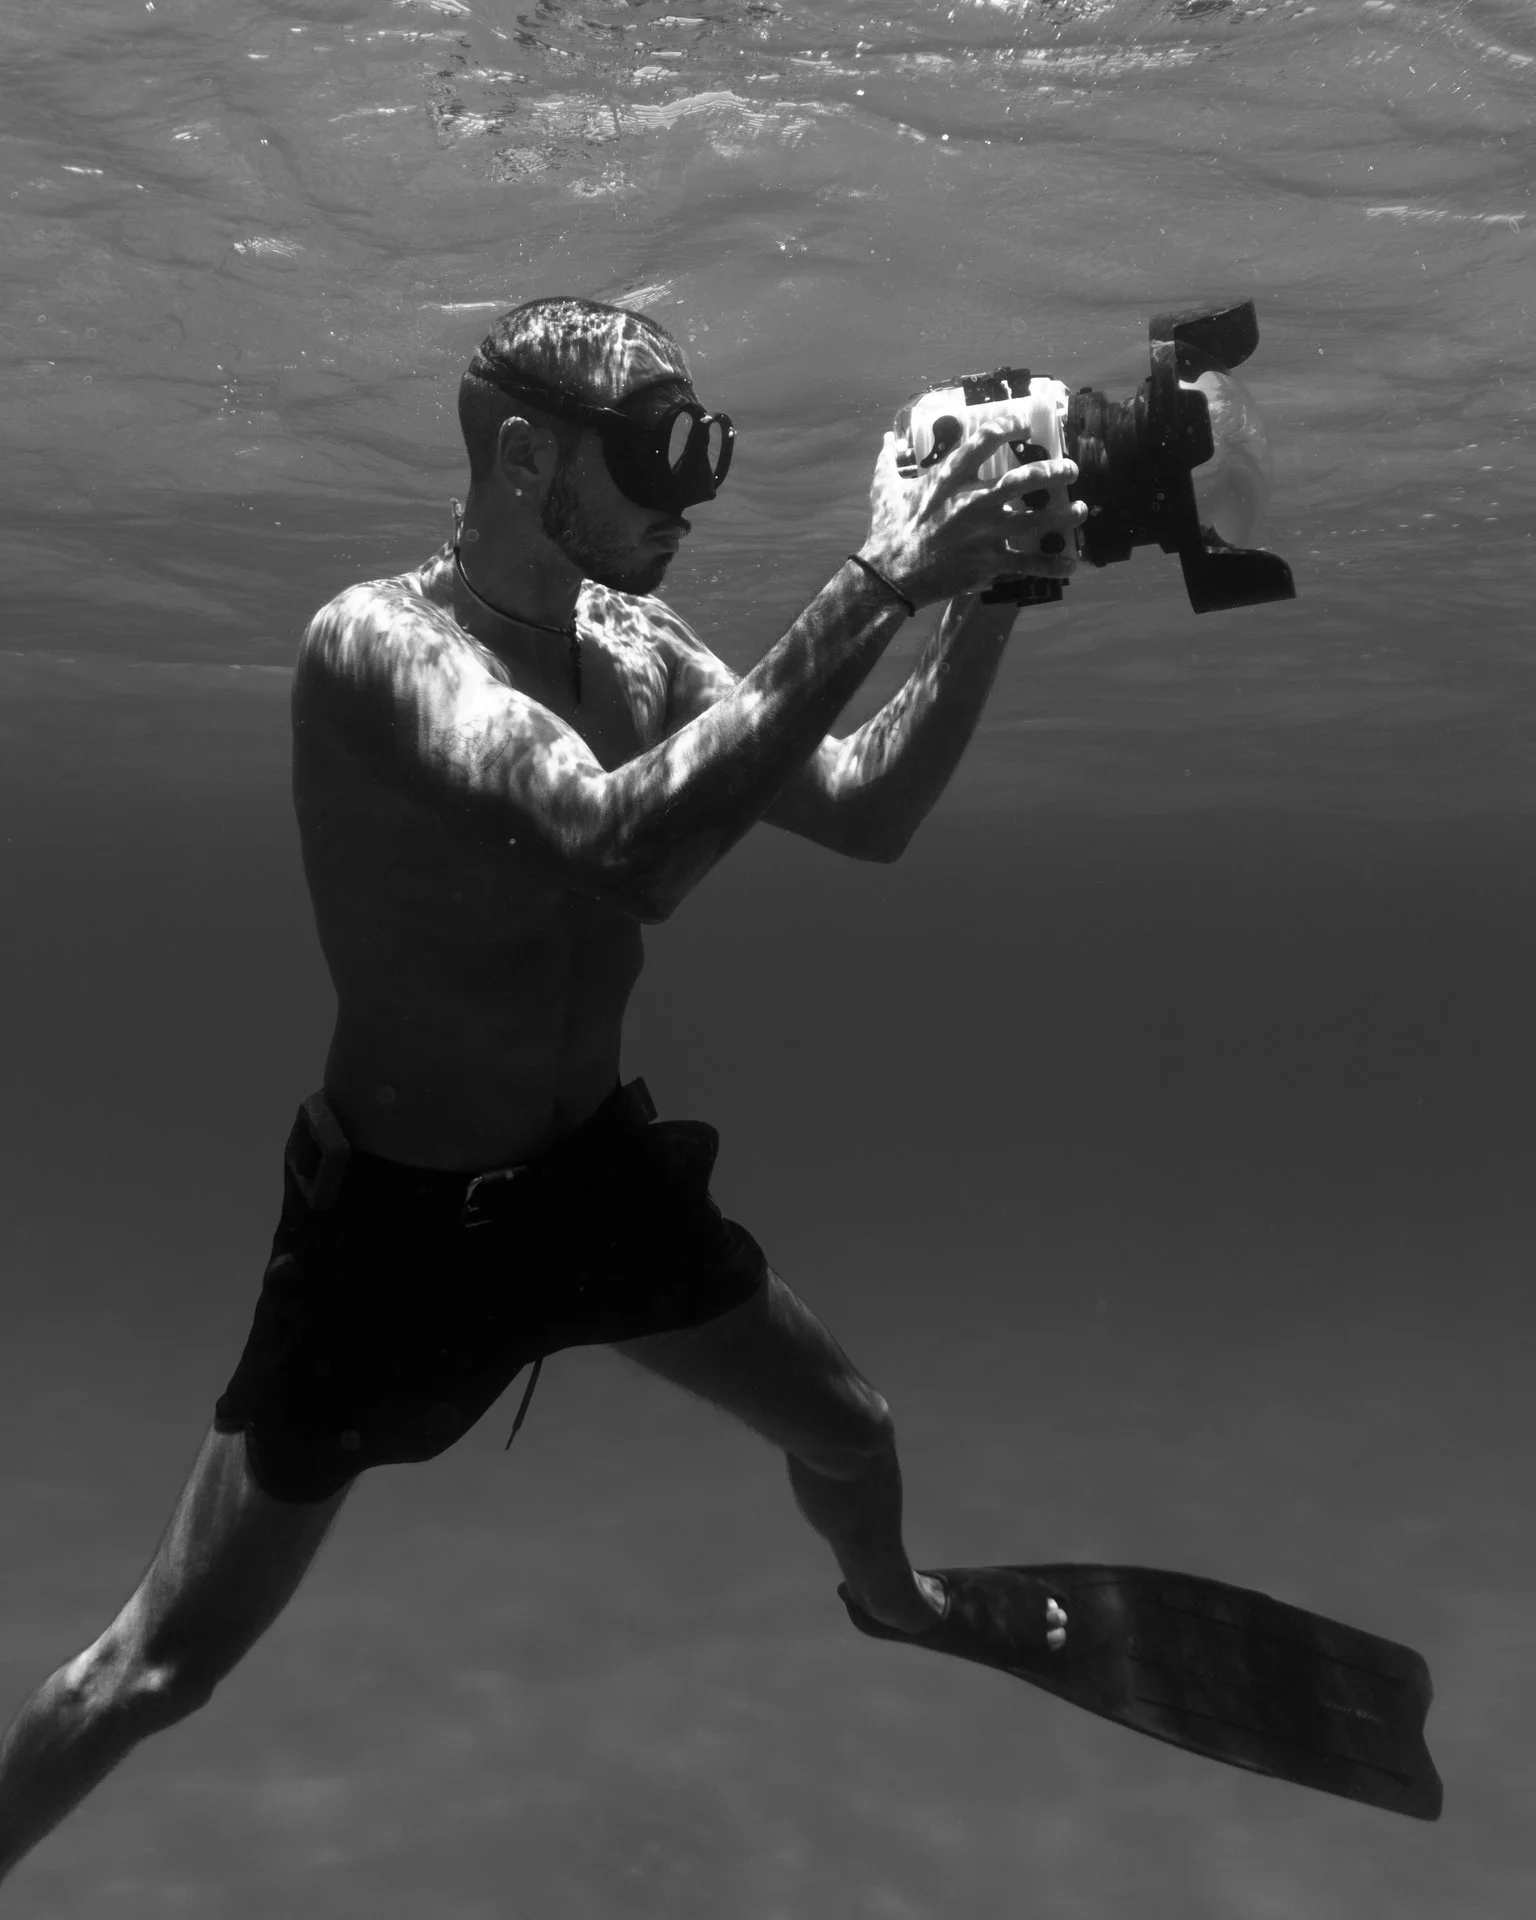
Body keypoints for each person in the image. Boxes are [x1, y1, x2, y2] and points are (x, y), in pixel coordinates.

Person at [0, 295, 1079, 1884]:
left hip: (591, 1180)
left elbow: (865, 808)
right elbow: (619, 845)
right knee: (159, 1671)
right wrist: (885, 576)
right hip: (396, 1233)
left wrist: (987, 594)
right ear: (524, 456)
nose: (686, 501)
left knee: (852, 1433)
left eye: (705, 454)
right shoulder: (377, 646)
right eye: (656, 458)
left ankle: (896, 1603)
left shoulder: (637, 642)